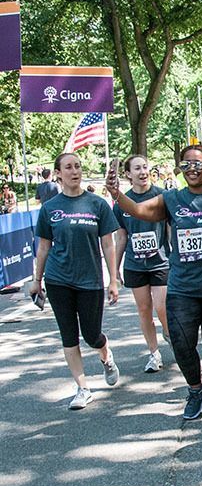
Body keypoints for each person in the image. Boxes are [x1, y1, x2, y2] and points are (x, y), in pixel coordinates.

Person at [106, 144, 202, 420]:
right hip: (183, 287)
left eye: (198, 164)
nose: (192, 169)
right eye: (186, 164)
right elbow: (137, 210)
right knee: (182, 343)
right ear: (180, 169)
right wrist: (116, 194)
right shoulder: (171, 199)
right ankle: (196, 390)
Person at [31, 152, 120, 409]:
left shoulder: (97, 204)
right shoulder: (50, 208)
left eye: (78, 166)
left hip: (90, 280)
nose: (74, 171)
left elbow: (108, 243)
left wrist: (113, 279)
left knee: (92, 335)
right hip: (59, 280)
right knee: (68, 335)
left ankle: (106, 356)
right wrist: (38, 279)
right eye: (68, 167)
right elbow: (44, 247)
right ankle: (82, 388)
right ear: (58, 173)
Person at [113, 155, 170, 373]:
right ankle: (154, 354)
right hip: (135, 264)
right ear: (128, 174)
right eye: (137, 168)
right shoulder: (122, 202)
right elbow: (121, 238)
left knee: (162, 306)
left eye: (145, 167)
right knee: (144, 309)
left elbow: (170, 229)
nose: (142, 171)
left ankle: (168, 332)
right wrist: (115, 270)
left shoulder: (162, 196)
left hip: (161, 262)